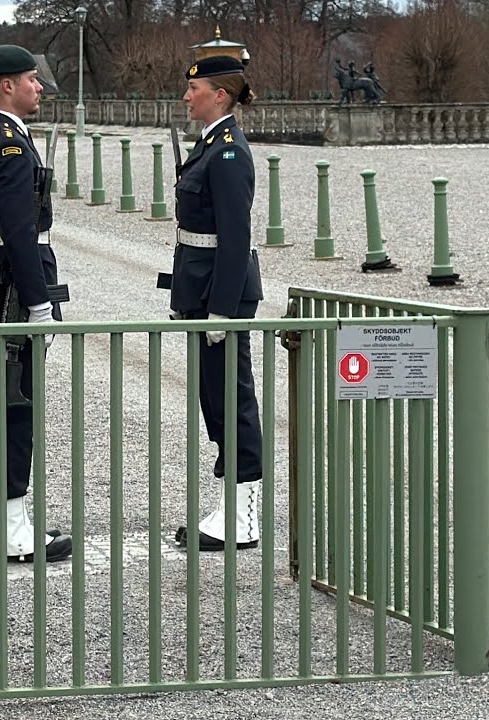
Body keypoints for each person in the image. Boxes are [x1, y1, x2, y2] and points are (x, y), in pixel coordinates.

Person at [0, 44, 71, 563]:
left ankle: (5, 523)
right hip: (12, 288)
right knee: (15, 407)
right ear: (7, 85)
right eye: (31, 79)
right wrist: (37, 304)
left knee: (5, 405)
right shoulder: (8, 144)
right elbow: (21, 233)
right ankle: (10, 530)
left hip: (2, 280)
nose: (39, 87)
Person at [168, 55, 265, 551]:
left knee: (233, 398)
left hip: (219, 294)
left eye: (195, 89)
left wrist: (222, 309)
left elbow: (235, 237)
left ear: (220, 95)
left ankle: (245, 515)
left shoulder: (228, 152)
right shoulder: (210, 145)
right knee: (215, 397)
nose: (187, 97)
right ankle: (231, 503)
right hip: (202, 290)